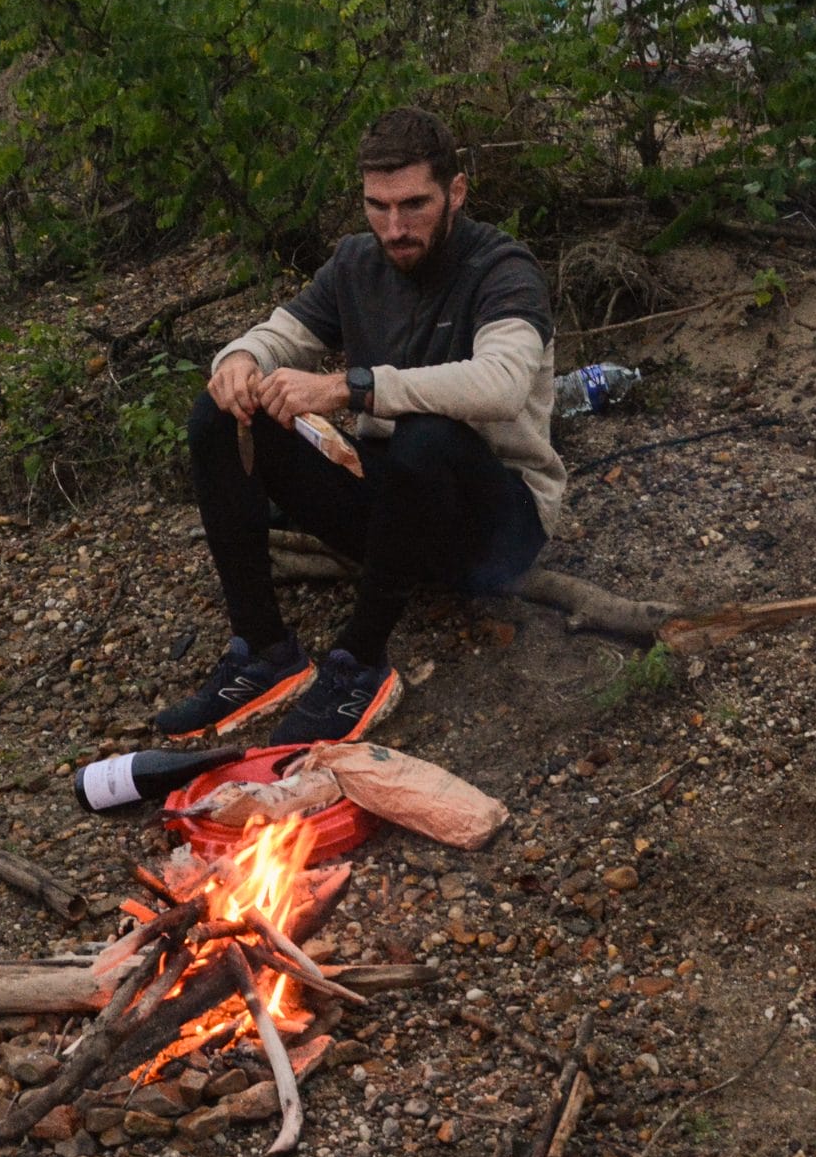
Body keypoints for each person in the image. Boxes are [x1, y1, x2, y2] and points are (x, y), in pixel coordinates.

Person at [156, 107, 565, 745]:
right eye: (378, 207)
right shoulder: (357, 263)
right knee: (219, 413)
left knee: (426, 434)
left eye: (414, 205)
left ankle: (360, 663)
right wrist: (238, 361)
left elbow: (502, 384)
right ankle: (265, 652)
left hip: (493, 530)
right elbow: (280, 335)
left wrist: (352, 387)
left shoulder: (502, 269)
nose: (395, 228)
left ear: (456, 192)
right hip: (394, 514)